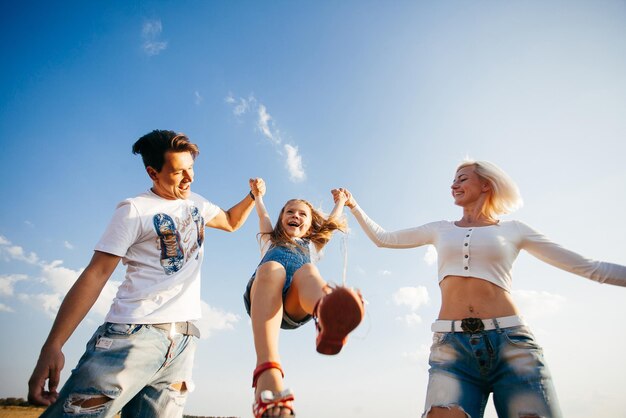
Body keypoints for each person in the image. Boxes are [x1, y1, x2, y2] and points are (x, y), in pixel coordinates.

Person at [336, 160, 626, 418]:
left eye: (462, 178)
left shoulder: (514, 230)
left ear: (486, 184)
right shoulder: (440, 228)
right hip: (452, 348)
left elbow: (590, 267)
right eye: (453, 180)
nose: (454, 184)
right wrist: (353, 205)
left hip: (512, 344)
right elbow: (383, 238)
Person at [27, 129, 264, 417]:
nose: (189, 178)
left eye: (191, 168)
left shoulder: (196, 203)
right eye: (179, 172)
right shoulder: (134, 210)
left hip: (182, 344)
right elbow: (96, 274)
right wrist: (53, 344)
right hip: (131, 338)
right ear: (153, 173)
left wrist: (252, 196)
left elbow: (230, 221)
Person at [243, 188, 365, 417]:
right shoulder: (271, 238)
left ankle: (326, 312)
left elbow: (331, 222)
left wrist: (340, 202)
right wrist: (257, 196)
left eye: (302, 214)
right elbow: (262, 215)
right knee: (271, 268)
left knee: (308, 269)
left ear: (310, 225)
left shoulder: (312, 244)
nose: (295, 216)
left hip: (296, 303)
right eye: (290, 212)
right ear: (281, 219)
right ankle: (268, 372)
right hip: (264, 298)